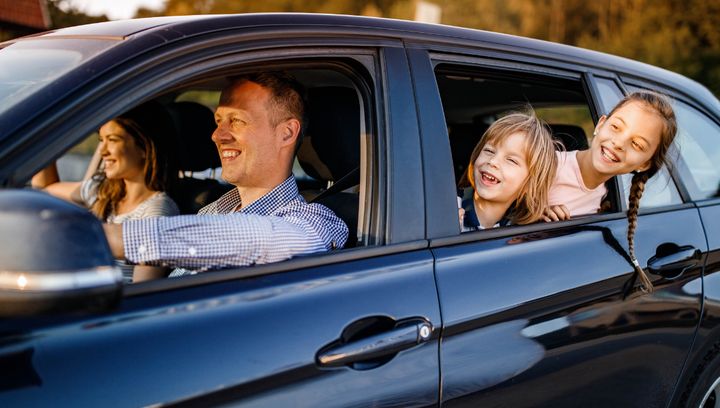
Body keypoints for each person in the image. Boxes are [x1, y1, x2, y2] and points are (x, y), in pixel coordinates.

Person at [103, 72, 348, 276]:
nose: (217, 135)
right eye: (219, 121)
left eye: (237, 121)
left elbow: (266, 238)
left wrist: (108, 238)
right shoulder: (211, 211)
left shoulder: (315, 221)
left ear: (286, 133)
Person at [543, 90, 677, 292]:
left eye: (637, 144)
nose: (619, 143)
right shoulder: (544, 165)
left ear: (644, 164)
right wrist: (533, 212)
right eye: (616, 127)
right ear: (600, 125)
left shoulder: (610, 202)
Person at [32, 102, 180, 283]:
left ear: (143, 147)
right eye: (101, 140)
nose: (103, 151)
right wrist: (43, 137)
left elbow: (142, 289)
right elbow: (45, 188)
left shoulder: (157, 212)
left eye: (112, 140)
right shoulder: (103, 191)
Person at [457, 111, 558, 231]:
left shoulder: (526, 228)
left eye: (511, 160)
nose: (493, 161)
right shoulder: (446, 207)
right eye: (489, 151)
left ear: (530, 183)